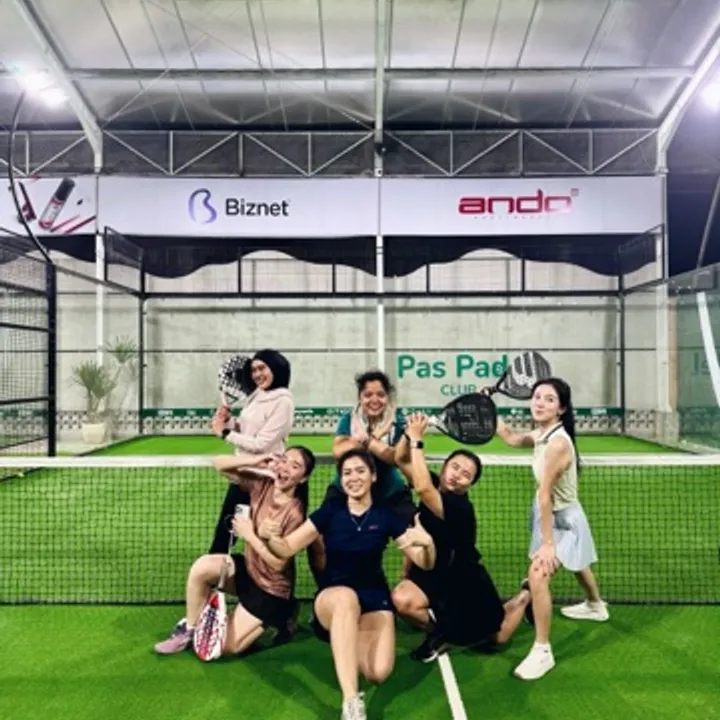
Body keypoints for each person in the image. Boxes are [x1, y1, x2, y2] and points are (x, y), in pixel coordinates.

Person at [263, 448, 436, 720]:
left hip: (373, 596)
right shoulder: (329, 512)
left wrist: (427, 545)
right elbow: (285, 548)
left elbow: (424, 563)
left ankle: (345, 637)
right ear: (341, 479)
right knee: (346, 599)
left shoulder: (386, 516)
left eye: (360, 471)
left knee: (377, 673)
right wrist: (269, 538)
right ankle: (351, 702)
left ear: (373, 476)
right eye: (346, 473)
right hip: (333, 597)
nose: (353, 478)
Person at [392, 412, 532, 662]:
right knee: (402, 601)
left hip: (464, 582)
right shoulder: (434, 482)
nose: (457, 475)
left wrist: (417, 439)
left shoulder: (459, 506)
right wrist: (408, 430)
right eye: (455, 467)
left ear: (470, 484)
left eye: (466, 474)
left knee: (496, 638)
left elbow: (422, 489)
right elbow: (400, 458)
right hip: (432, 572)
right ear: (444, 466)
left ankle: (524, 596)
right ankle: (439, 633)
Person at [494, 377, 608, 681]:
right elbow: (511, 439)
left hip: (563, 519)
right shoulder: (542, 434)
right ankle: (596, 605)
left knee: (538, 574)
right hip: (548, 513)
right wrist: (488, 410)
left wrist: (547, 544)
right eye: (536, 397)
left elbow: (545, 495)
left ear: (561, 409)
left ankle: (542, 650)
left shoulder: (557, 444)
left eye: (549, 399)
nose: (540, 403)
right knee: (577, 563)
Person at [153, 446, 315, 657]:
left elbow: (279, 564)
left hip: (271, 590)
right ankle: (189, 630)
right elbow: (219, 464)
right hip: (248, 570)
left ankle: (283, 613)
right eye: (284, 460)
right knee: (203, 567)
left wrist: (251, 536)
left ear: (303, 478)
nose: (285, 468)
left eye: (295, 466)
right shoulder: (261, 484)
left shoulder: (294, 514)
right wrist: (255, 460)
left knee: (226, 647)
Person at [309, 370, 415, 584]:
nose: (374, 400)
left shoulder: (398, 421)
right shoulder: (348, 419)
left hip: (389, 490)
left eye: (380, 395)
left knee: (416, 532)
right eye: (368, 395)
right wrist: (374, 439)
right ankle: (325, 586)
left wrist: (362, 442)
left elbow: (395, 457)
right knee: (316, 536)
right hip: (347, 488)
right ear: (360, 397)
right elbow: (338, 450)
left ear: (388, 397)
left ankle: (407, 584)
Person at [208, 349, 294, 554]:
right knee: (225, 533)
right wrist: (228, 421)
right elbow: (245, 429)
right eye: (254, 370)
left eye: (262, 368)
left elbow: (261, 444)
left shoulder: (284, 401)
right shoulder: (256, 396)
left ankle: (259, 573)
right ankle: (214, 569)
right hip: (242, 475)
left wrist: (225, 433)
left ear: (276, 368)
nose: (257, 374)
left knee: (260, 537)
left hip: (265, 479)